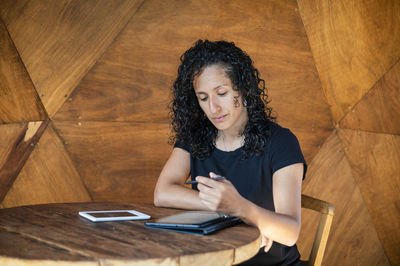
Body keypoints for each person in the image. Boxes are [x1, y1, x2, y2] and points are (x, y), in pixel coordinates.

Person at [154, 40, 307, 265]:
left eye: (222, 93)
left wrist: (241, 207)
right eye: (203, 98)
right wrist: (227, 208)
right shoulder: (195, 137)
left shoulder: (281, 142)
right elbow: (162, 193)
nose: (213, 108)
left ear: (243, 88)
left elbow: (289, 231)